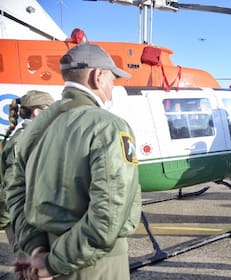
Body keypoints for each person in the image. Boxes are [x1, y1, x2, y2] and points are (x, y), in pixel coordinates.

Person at [6, 43, 142, 279]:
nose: (112, 87)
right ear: (98, 76)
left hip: (40, 260)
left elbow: (15, 192)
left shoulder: (34, 128)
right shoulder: (109, 126)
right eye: (112, 79)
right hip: (94, 266)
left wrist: (37, 249)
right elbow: (108, 215)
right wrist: (54, 263)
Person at [0, 90, 54, 262]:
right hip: (24, 223)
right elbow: (10, 189)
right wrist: (4, 221)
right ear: (37, 112)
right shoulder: (22, 142)